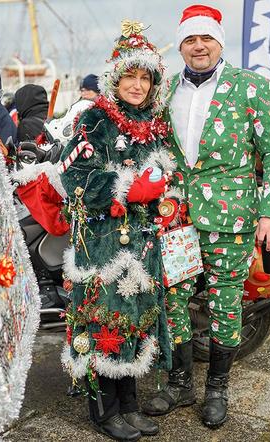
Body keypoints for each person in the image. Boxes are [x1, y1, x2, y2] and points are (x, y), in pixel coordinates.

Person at [142, 4, 270, 429]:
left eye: (205, 38)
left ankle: (217, 388)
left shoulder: (251, 87)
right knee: (173, 299)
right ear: (182, 46)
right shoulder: (166, 90)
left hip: (233, 215)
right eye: (190, 39)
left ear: (218, 43)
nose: (198, 46)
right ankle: (181, 382)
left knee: (226, 301)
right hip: (178, 216)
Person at [59, 22, 173, 442]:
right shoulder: (94, 120)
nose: (138, 85)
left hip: (142, 244)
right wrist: (127, 187)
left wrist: (167, 194)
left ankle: (129, 404)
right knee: (103, 321)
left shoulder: (154, 123)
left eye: (146, 78)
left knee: (134, 321)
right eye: (131, 75)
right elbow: (73, 180)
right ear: (116, 78)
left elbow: (166, 174)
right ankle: (103, 412)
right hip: (102, 244)